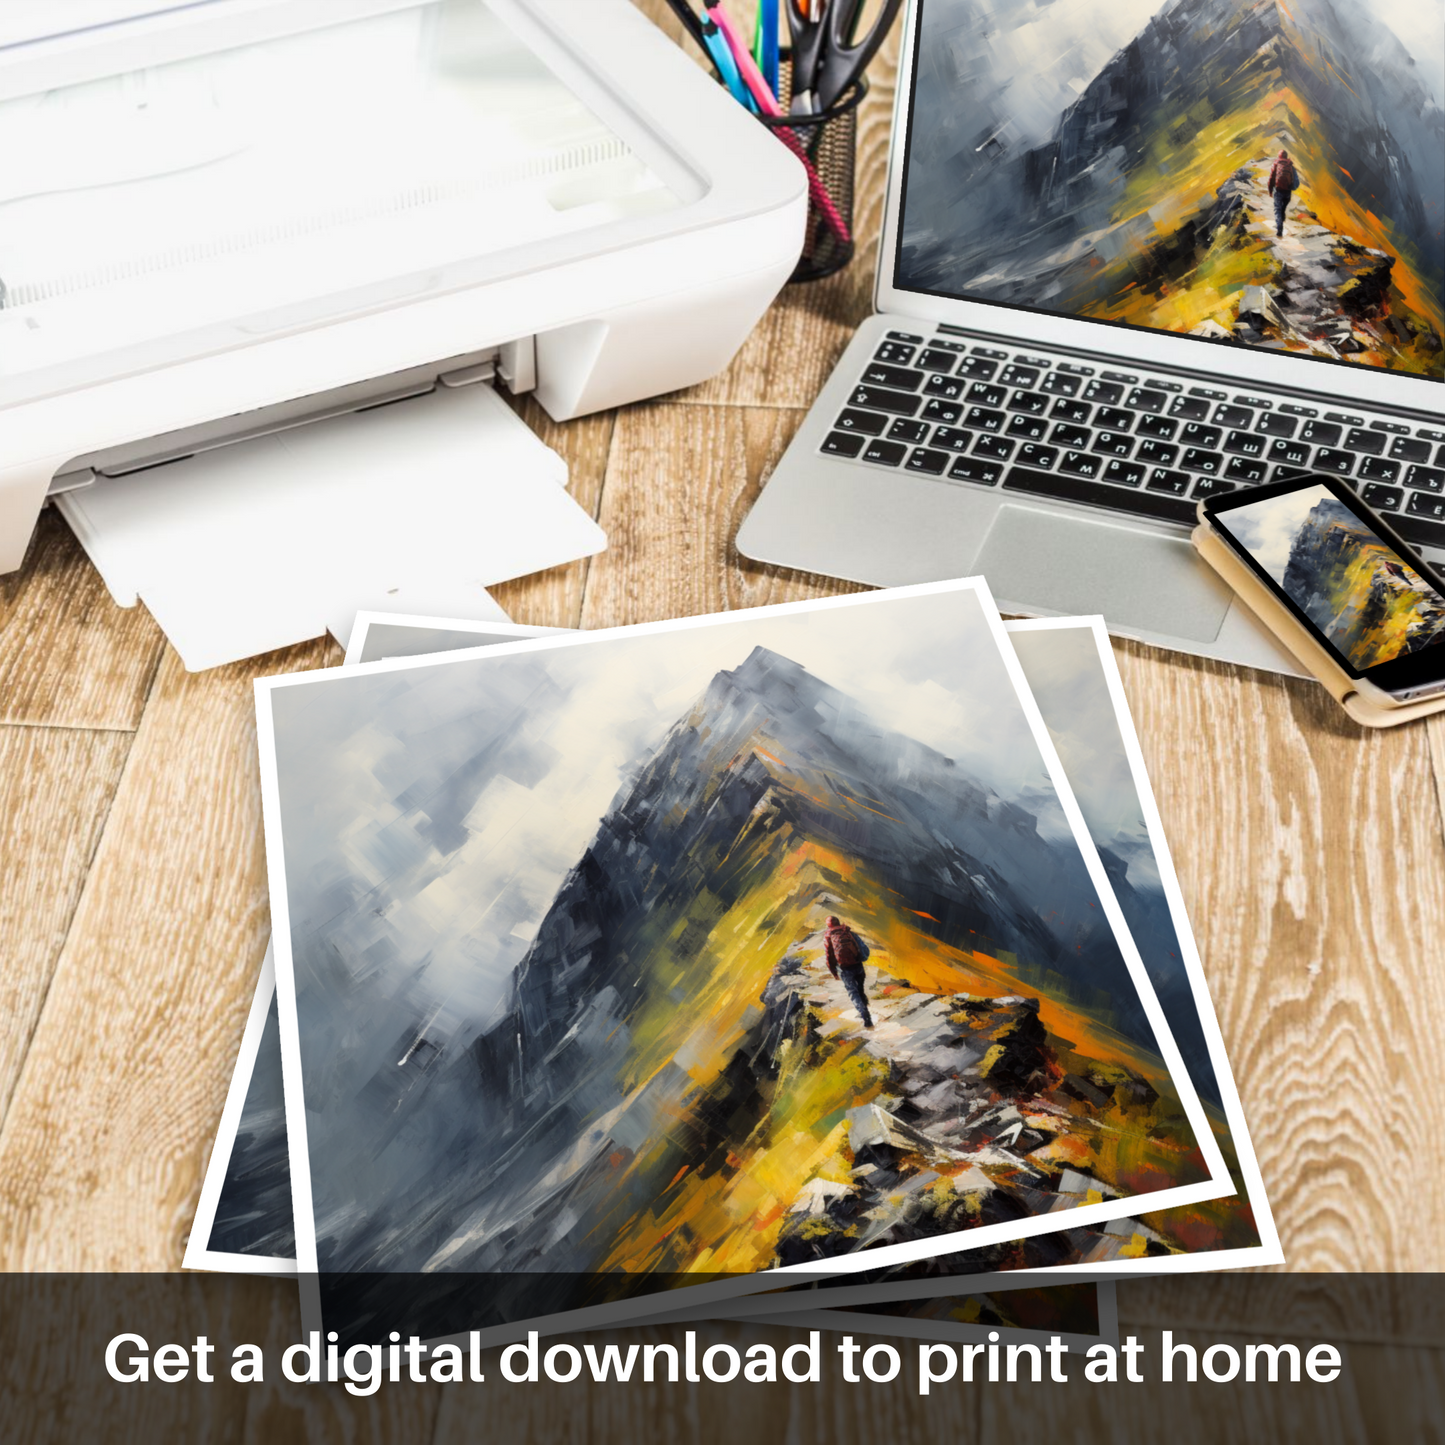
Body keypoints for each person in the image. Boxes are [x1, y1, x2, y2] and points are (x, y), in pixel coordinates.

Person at [823, 915, 873, 1029]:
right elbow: (863, 947)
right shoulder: (848, 931)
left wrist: (834, 971)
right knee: (860, 990)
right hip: (858, 965)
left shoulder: (828, 936)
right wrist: (861, 958)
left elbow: (828, 956)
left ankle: (864, 1015)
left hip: (845, 969)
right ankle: (865, 1011)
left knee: (853, 992)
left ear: (828, 925)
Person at [1267, 149, 1298, 239]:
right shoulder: (1290, 165)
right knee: (1282, 208)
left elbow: (1271, 178)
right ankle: (1282, 217)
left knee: (1277, 209)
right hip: (1287, 191)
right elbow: (1295, 179)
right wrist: (1292, 187)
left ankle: (1279, 229)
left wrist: (1270, 190)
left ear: (1279, 156)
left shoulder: (1276, 164)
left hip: (1278, 190)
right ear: (1286, 156)